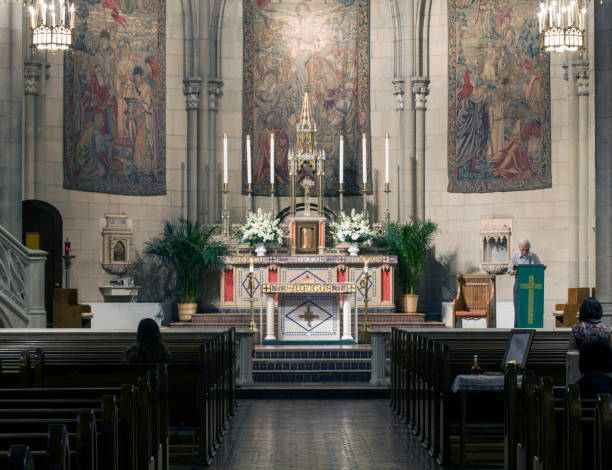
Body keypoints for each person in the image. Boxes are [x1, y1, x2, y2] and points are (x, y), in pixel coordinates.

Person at [507, 239, 541, 325]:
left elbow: (540, 268)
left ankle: (529, 325)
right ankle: (518, 326)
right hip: (519, 284)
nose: (525, 252)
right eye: (523, 250)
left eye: (527, 249)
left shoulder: (534, 257)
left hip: (531, 285)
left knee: (529, 308)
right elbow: (509, 270)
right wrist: (514, 272)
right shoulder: (515, 257)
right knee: (518, 307)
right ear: (519, 248)